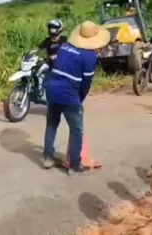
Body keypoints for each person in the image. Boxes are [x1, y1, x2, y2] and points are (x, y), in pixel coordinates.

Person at [42, 21, 110, 176]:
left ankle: (47, 157)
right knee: (77, 130)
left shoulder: (65, 47)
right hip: (69, 94)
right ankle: (74, 165)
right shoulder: (89, 56)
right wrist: (79, 100)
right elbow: (85, 84)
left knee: (52, 124)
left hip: (52, 88)